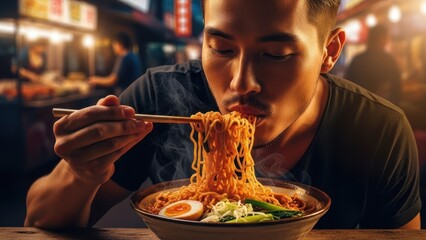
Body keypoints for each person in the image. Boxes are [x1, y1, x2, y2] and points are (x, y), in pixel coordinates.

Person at [25, 0, 421, 229]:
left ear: (329, 52)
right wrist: (79, 173)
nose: (241, 82)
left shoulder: (378, 130)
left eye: (276, 55)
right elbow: (38, 222)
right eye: (221, 49)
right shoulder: (157, 96)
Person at [345, 24, 402, 105]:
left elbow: (348, 86)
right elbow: (397, 87)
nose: (388, 40)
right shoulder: (389, 60)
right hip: (383, 106)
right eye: (387, 37)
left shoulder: (357, 59)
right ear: (380, 38)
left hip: (359, 107)